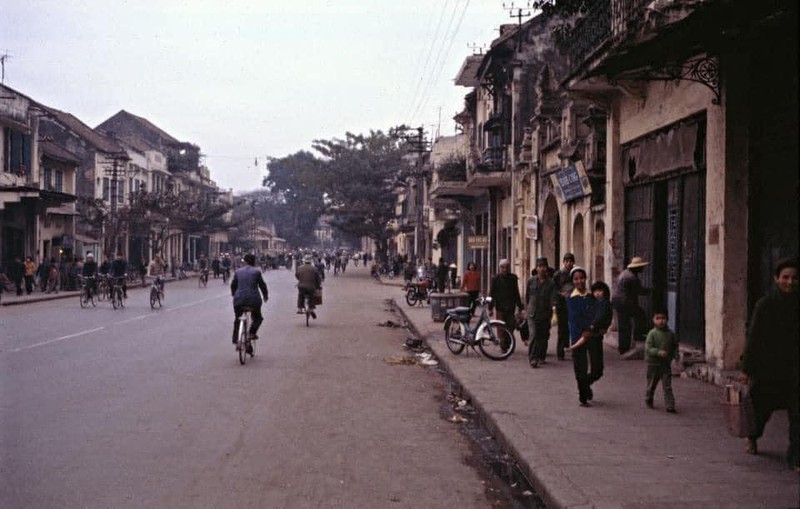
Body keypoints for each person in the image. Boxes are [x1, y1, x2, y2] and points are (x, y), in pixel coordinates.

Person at [739, 257, 798, 470]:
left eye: (794, 278)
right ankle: (753, 436)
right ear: (776, 279)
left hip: (794, 370)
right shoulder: (765, 305)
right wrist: (747, 369)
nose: (790, 282)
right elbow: (754, 338)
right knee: (761, 410)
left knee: (797, 414)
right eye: (785, 277)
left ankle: (795, 457)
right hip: (768, 369)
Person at [565, 266, 596, 406]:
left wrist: (593, 328)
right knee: (580, 367)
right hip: (578, 337)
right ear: (573, 281)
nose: (580, 281)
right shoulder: (570, 298)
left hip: (594, 336)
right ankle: (583, 394)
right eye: (576, 279)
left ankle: (586, 385)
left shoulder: (592, 296)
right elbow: (573, 319)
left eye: (582, 278)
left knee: (597, 369)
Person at [612, 256, 651, 355]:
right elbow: (639, 291)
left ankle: (623, 347)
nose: (642, 269)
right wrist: (650, 290)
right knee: (638, 316)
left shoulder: (625, 273)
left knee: (623, 324)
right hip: (625, 302)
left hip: (618, 301)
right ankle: (637, 336)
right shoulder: (632, 277)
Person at [230, 253, 269, 354]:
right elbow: (262, 286)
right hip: (254, 300)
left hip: (239, 300)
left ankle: (236, 339)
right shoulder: (256, 272)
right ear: (254, 262)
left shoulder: (238, 272)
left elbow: (233, 285)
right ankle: (252, 333)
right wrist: (265, 296)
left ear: (245, 261)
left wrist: (234, 295)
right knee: (258, 318)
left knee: (237, 319)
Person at [644, 308, 679, 413]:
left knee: (667, 386)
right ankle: (648, 398)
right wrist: (658, 352)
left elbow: (674, 346)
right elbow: (648, 348)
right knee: (651, 384)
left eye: (663, 318)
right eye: (657, 318)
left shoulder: (671, 334)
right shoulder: (652, 333)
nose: (661, 321)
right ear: (653, 320)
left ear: (667, 319)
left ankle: (670, 405)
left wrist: (676, 355)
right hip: (653, 364)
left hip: (665, 364)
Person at [526, 257, 557, 368]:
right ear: (537, 268)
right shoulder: (531, 281)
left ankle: (541, 356)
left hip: (545, 314)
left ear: (547, 268)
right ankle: (533, 358)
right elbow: (527, 296)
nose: (542, 269)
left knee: (543, 336)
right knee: (533, 335)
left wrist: (554, 311)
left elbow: (553, 298)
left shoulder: (551, 283)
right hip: (532, 313)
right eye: (540, 266)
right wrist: (525, 309)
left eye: (544, 267)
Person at [488, 259, 524, 334]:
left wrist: (520, 306)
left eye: (507, 267)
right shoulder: (495, 279)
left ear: (509, 268)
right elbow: (491, 294)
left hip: (510, 307)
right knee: (501, 329)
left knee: (510, 328)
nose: (505, 269)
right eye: (502, 267)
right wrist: (490, 308)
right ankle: (503, 343)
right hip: (500, 308)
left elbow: (516, 293)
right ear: (499, 268)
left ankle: (509, 343)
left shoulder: (513, 278)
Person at [553, 253, 576, 360]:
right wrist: (560, 294)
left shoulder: (575, 273)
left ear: (573, 262)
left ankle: (575, 350)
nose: (568, 263)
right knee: (562, 328)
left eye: (570, 261)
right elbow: (553, 289)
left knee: (574, 328)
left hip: (573, 303)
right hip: (561, 304)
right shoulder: (558, 274)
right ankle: (560, 352)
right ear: (563, 262)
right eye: (566, 261)